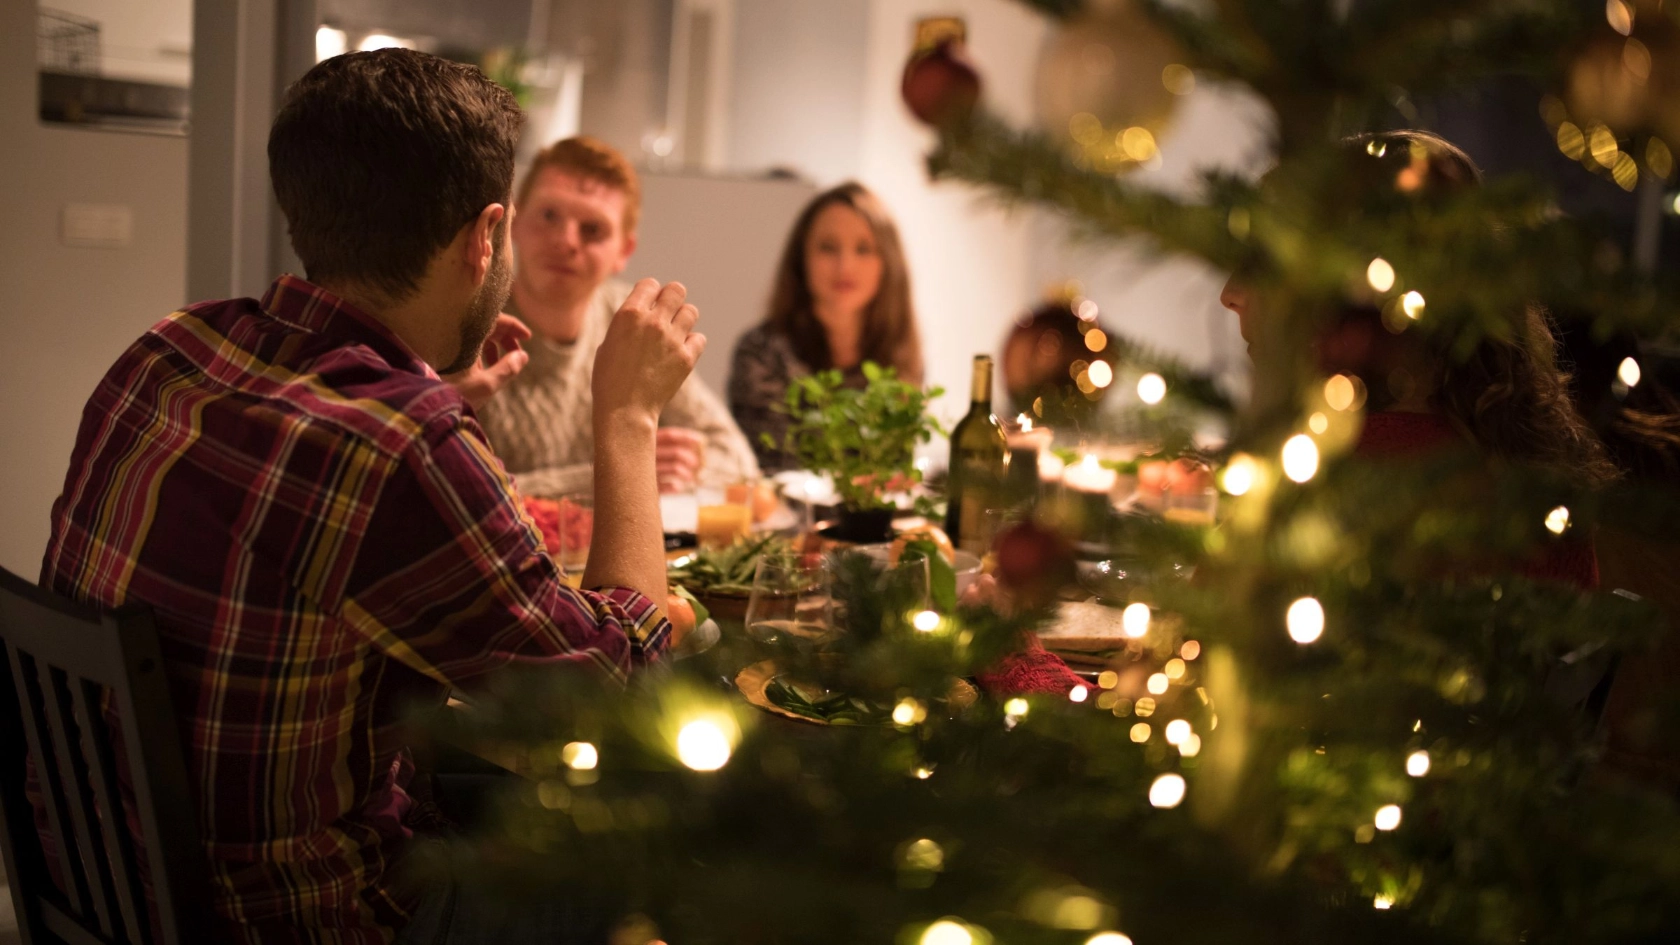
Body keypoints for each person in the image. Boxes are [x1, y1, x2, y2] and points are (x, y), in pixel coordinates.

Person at [39, 49, 702, 944]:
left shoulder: (169, 349)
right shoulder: (402, 443)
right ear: (487, 235)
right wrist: (627, 415)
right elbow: (620, 696)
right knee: (673, 843)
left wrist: (431, 393)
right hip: (307, 918)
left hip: (116, 880)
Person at [1219, 129, 1616, 588]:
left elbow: (1199, 642)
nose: (1230, 294)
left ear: (1359, 290)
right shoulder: (1535, 478)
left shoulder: (1317, 486)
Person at [476, 136, 758, 496]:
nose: (566, 241)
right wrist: (622, 470)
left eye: (592, 229)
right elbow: (459, 493)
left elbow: (737, 458)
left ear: (623, 251)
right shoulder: (469, 322)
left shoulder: (633, 321)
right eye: (549, 216)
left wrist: (687, 467)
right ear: (514, 221)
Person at [729, 182, 923, 471]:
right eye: (828, 248)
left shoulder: (899, 352)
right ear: (801, 259)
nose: (845, 266)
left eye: (864, 249)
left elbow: (893, 475)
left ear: (888, 262)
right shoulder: (762, 352)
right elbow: (772, 473)